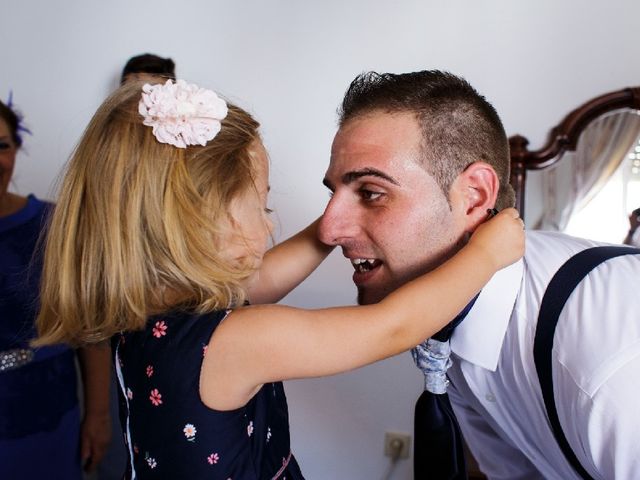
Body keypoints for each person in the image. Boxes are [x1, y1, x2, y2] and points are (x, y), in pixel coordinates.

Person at [34, 79, 524, 479]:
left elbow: (265, 275)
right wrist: (485, 253)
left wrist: (341, 222)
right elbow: (392, 327)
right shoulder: (236, 341)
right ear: (211, 219)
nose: (269, 224)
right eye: (262, 206)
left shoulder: (154, 308)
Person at [318, 69, 640, 479]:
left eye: (371, 193)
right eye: (335, 194)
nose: (328, 231)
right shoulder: (451, 321)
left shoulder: (607, 370)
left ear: (474, 197)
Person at [0, 98, 112, 478]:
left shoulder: (56, 225)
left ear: (16, 148)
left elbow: (90, 330)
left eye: (1, 146)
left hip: (46, 412)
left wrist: (97, 416)